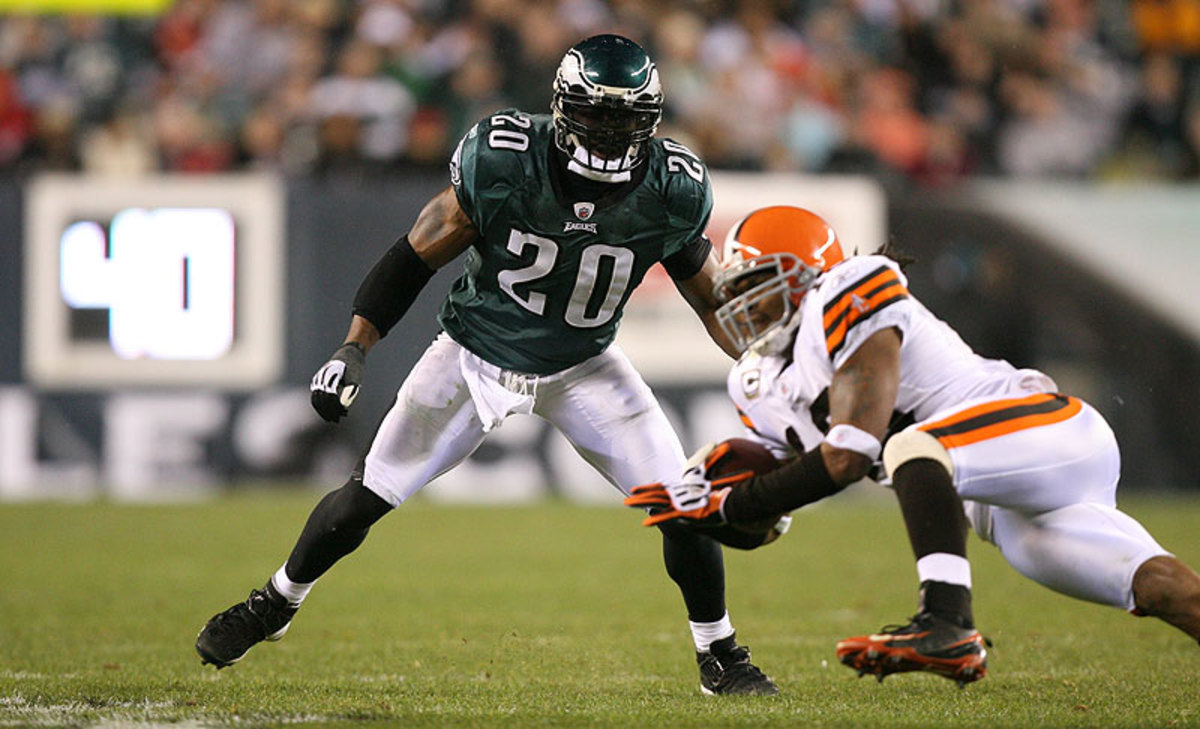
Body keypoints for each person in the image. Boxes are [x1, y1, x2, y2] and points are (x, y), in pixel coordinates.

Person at [194, 34, 779, 697]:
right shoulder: (504, 161)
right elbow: (414, 256)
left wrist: (774, 367)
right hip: (474, 351)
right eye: (596, 115)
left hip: (584, 364)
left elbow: (713, 303)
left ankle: (720, 654)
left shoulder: (670, 188)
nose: (611, 133)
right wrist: (353, 348)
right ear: (562, 109)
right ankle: (275, 601)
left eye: (625, 119)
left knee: (682, 503)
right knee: (365, 496)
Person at [625, 205, 1200, 686]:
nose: (745, 304)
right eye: (737, 289)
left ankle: (947, 623)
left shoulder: (852, 283)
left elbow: (849, 453)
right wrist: (703, 514)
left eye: (757, 284)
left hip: (1048, 433)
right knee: (1155, 586)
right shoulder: (758, 381)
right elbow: (773, 508)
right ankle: (952, 629)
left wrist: (735, 504)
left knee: (911, 446)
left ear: (808, 274)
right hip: (993, 504)